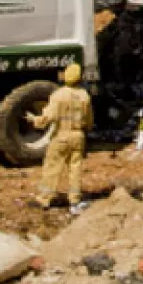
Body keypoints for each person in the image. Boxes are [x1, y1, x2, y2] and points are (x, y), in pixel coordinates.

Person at [27, 63, 92, 208]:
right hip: (78, 136)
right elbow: (89, 120)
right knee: (75, 168)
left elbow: (48, 118)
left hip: (61, 136)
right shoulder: (84, 96)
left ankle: (45, 199)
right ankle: (74, 199)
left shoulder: (58, 95)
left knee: (52, 167)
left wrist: (34, 120)